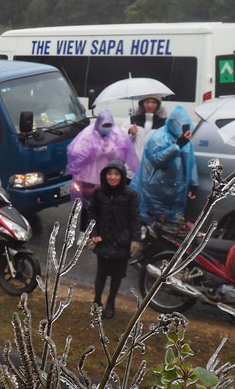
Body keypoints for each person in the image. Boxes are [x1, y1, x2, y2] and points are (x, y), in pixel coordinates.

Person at [65, 108, 139, 230]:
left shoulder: (117, 134)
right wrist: (95, 151)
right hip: (88, 178)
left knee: (105, 206)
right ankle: (84, 232)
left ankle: (101, 232)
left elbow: (121, 156)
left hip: (108, 178)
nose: (106, 127)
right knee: (86, 207)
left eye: (109, 125)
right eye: (104, 125)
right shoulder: (87, 134)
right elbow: (76, 154)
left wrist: (110, 150)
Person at [87, 159, 142, 319]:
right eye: (110, 174)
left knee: (117, 275)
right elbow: (92, 213)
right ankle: (97, 301)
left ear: (122, 176)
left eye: (116, 174)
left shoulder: (131, 195)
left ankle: (111, 302)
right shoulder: (99, 192)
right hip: (103, 239)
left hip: (121, 241)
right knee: (101, 273)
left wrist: (135, 239)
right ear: (105, 176)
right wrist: (93, 233)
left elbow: (135, 218)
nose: (112, 177)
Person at [132, 105, 198, 225]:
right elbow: (158, 160)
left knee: (171, 226)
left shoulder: (186, 141)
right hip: (155, 190)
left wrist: (193, 184)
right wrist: (177, 146)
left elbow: (190, 162)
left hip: (176, 192)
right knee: (151, 222)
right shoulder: (158, 138)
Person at [127, 94, 167, 158]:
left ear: (158, 105)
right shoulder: (132, 120)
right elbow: (121, 141)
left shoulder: (163, 123)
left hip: (151, 164)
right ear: (142, 103)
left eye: (153, 102)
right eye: (147, 102)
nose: (150, 105)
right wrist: (130, 133)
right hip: (133, 163)